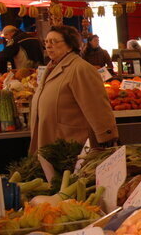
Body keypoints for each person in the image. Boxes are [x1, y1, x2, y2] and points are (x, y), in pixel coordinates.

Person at [28, 25, 118, 154]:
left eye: (54, 41)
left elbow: (97, 106)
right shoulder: (51, 67)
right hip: (53, 141)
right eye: (46, 42)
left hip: (72, 144)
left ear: (70, 45)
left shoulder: (81, 68)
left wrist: (106, 137)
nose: (48, 46)